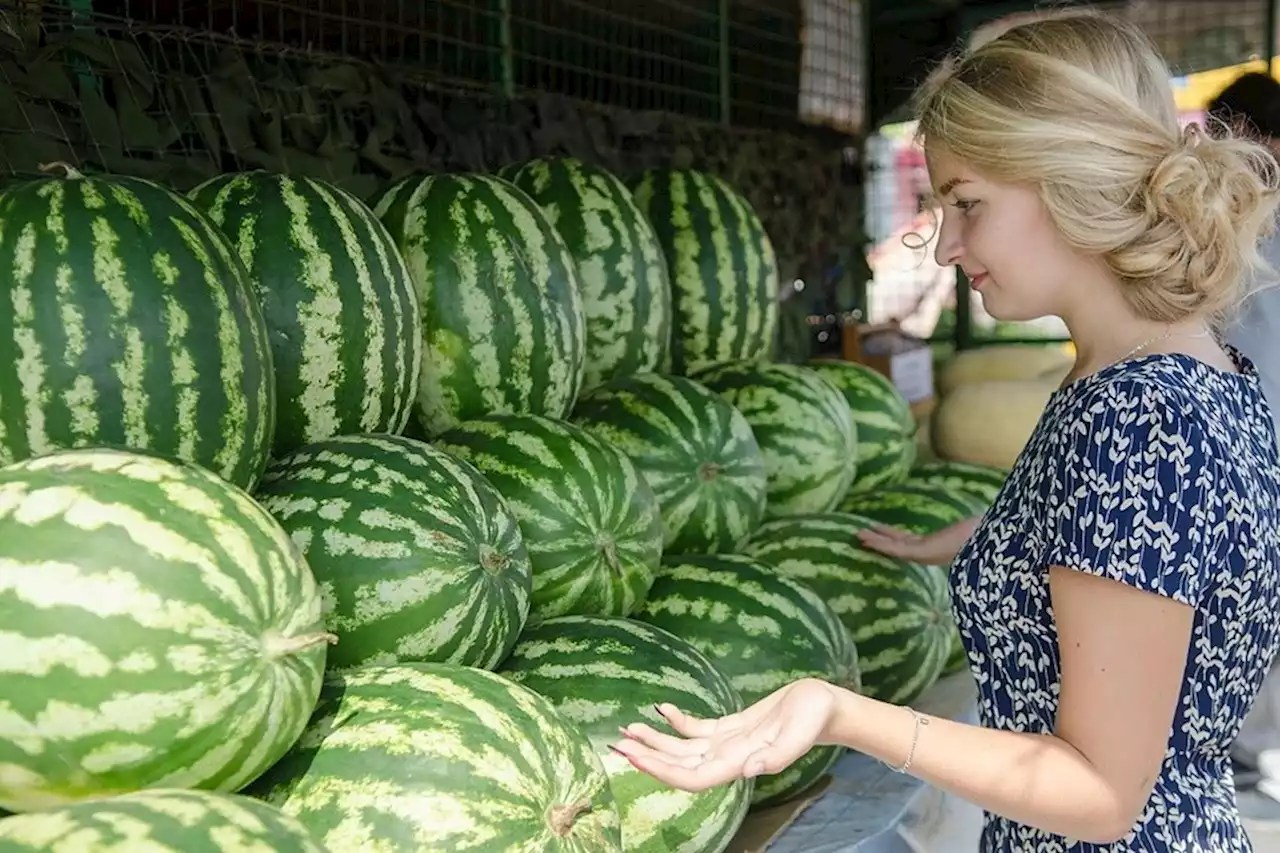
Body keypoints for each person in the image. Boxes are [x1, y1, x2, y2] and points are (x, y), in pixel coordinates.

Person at [609, 9, 1280, 852]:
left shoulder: (1132, 418)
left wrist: (843, 712)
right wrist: (1005, 538)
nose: (946, 246)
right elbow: (1171, 564)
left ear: (1070, 177)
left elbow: (1101, 792)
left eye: (967, 204)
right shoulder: (1201, 371)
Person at [1203, 69, 1280, 818]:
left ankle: (1247, 770)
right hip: (1253, 455)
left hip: (1251, 458)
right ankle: (1247, 769)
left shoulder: (1235, 230)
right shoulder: (1233, 229)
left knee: (1249, 618)